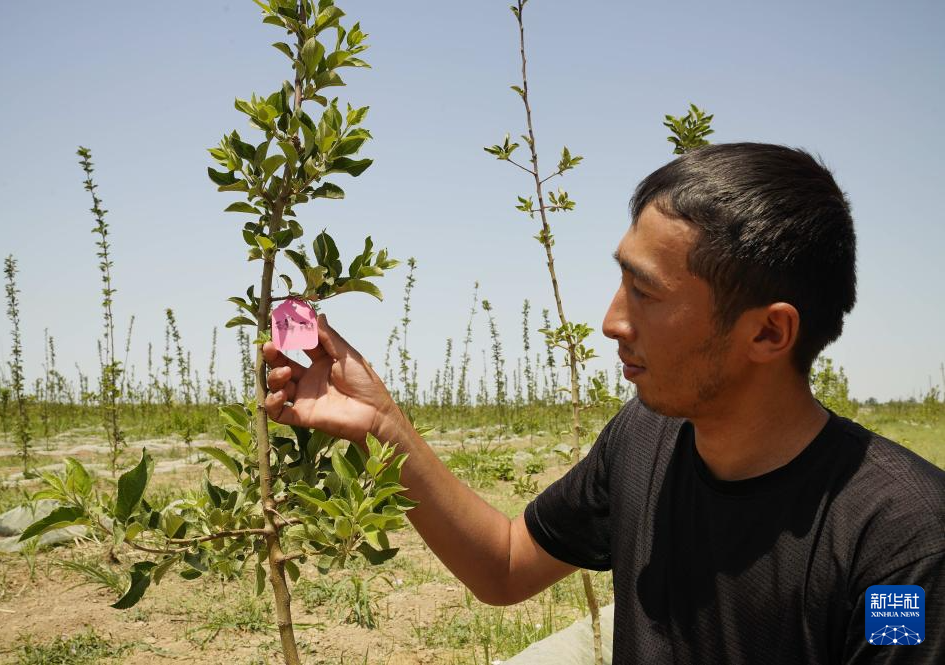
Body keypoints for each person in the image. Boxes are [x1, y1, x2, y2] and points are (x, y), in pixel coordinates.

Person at [262, 142, 944, 663]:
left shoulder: (903, 545)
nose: (612, 320)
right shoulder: (645, 436)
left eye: (645, 292)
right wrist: (381, 425)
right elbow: (503, 565)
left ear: (768, 331)